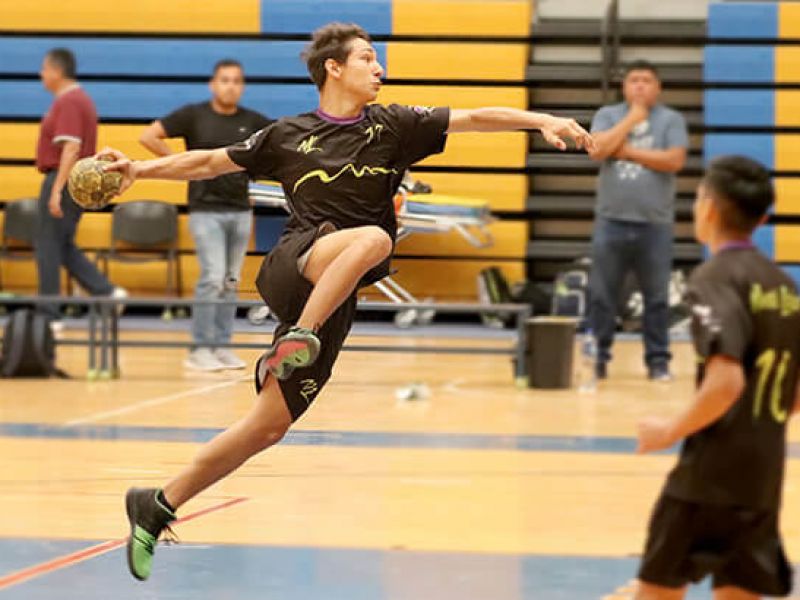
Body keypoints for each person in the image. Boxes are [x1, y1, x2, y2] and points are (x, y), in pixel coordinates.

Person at [102, 22, 595, 581]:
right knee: (375, 238)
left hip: (334, 294)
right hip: (296, 266)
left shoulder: (393, 126)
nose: (378, 68)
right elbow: (210, 161)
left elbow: (478, 117)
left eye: (377, 59)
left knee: (267, 427)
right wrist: (139, 169)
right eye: (367, 58)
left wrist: (544, 120)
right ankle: (297, 337)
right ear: (333, 68)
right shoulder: (289, 134)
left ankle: (158, 504)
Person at [636, 155, 799, 599]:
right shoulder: (784, 285)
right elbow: (795, 395)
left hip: (707, 477)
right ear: (762, 217)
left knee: (656, 592)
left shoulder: (713, 278)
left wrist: (667, 430)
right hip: (761, 479)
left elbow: (726, 383)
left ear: (707, 208)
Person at [139, 59, 272, 372]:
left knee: (230, 280)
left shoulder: (252, 120)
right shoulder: (194, 115)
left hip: (239, 210)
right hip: (205, 210)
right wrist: (181, 163)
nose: (231, 86)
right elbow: (149, 136)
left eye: (237, 81)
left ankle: (222, 346)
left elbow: (278, 145)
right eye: (225, 80)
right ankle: (200, 349)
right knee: (212, 278)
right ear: (213, 84)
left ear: (242, 87)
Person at [587, 60, 689, 381]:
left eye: (647, 80)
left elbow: (674, 160)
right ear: (624, 86)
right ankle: (598, 359)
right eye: (634, 80)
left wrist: (627, 151)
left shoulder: (671, 120)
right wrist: (631, 119)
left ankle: (658, 362)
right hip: (611, 221)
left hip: (655, 225)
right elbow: (598, 150)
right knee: (602, 294)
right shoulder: (608, 115)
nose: (640, 86)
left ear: (658, 87)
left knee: (657, 297)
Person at [34, 48, 125, 327]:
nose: (41, 74)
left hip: (62, 179)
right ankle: (106, 292)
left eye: (44, 68)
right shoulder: (76, 100)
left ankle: (49, 316)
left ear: (56, 71)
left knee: (48, 245)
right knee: (60, 245)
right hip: (69, 180)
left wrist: (56, 189)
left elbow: (71, 147)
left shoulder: (70, 101)